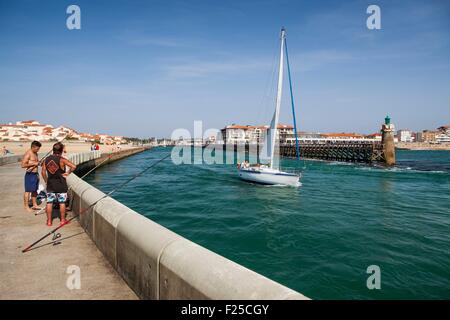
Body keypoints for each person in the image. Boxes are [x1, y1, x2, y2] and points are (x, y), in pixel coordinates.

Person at [41, 142, 77, 226]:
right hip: (61, 184)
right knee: (62, 202)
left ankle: (49, 221)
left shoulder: (46, 159)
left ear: (53, 150)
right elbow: (74, 166)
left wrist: (46, 181)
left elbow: (43, 172)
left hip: (50, 184)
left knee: (49, 202)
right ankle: (62, 220)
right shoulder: (62, 159)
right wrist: (67, 173)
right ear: (60, 151)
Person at [21, 141, 42, 212]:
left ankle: (34, 204)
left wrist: (38, 163)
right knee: (28, 191)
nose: (38, 150)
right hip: (30, 175)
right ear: (33, 147)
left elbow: (36, 163)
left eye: (38, 149)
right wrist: (34, 163)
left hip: (35, 174)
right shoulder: (28, 153)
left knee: (35, 190)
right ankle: (26, 206)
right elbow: (23, 165)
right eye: (37, 149)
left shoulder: (35, 153)